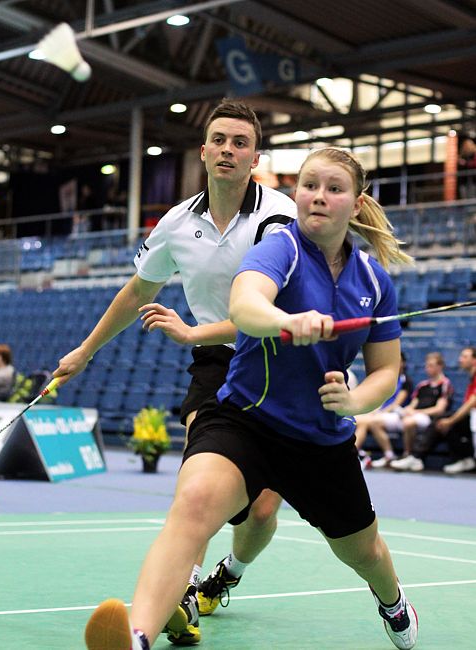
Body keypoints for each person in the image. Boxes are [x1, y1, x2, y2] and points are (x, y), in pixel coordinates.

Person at [83, 147, 418, 650]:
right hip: (246, 421)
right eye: (309, 185)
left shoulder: (373, 280)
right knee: (193, 505)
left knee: (363, 551)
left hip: (320, 441)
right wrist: (286, 321)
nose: (318, 197)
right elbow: (245, 305)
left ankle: (392, 601)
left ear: (356, 202)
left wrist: (355, 403)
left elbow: (386, 369)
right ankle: (138, 637)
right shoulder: (278, 247)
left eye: (334, 188)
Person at [53, 99, 297, 644]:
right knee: (198, 479)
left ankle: (225, 575)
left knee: (261, 510)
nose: (228, 150)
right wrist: (87, 350)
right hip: (216, 360)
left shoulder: (282, 213)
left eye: (240, 142)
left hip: (278, 361)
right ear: (204, 151)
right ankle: (179, 593)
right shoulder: (177, 222)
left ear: (255, 156)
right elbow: (139, 289)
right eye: (219, 140)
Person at [388, 352, 453, 472]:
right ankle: (400, 456)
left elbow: (439, 409)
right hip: (416, 415)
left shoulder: (445, 384)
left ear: (440, 366)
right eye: (427, 365)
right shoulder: (422, 385)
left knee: (408, 422)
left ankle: (409, 455)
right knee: (403, 418)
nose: (428, 368)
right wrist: (408, 410)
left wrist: (417, 412)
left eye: (431, 365)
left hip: (430, 419)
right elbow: (412, 404)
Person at [355, 352, 413, 469]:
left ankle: (388, 455)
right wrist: (372, 411)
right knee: (356, 420)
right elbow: (379, 400)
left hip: (396, 414)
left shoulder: (406, 381)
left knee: (372, 421)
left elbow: (396, 403)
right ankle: (356, 453)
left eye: (399, 361)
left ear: (403, 363)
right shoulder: (388, 381)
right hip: (381, 413)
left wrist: (379, 413)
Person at [430, 346, 476, 474]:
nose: (460, 360)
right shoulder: (471, 378)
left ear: (474, 360)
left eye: (464, 357)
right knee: (443, 422)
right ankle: (465, 459)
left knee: (448, 422)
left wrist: (450, 420)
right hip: (472, 417)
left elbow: (472, 403)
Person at [457, 135, 476, 199]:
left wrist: (466, 163)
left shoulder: (474, 153)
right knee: (464, 195)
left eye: (468, 145)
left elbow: (474, 164)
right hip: (464, 179)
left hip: (473, 178)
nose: (467, 147)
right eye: (465, 145)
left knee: (472, 195)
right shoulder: (463, 154)